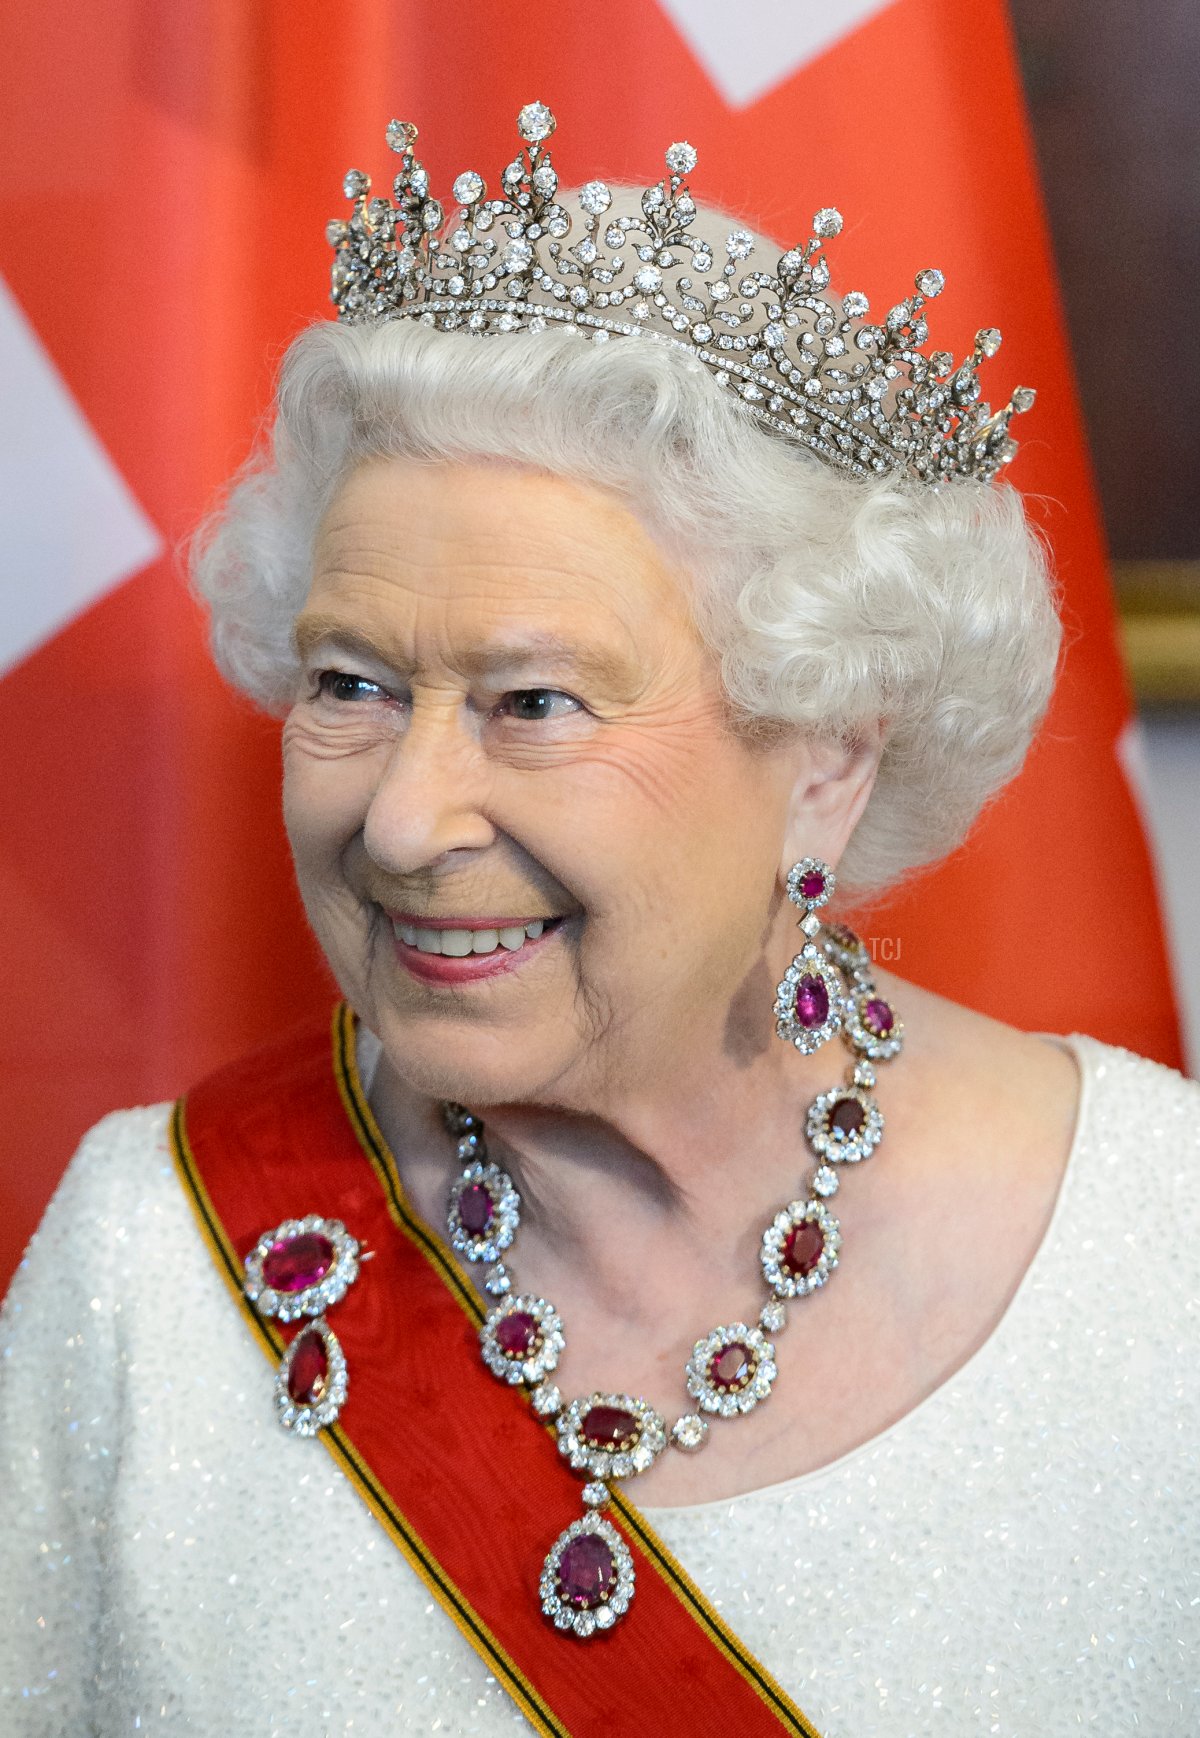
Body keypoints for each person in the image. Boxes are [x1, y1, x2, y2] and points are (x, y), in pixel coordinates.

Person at [1, 102, 1197, 1737]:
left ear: (829, 761)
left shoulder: (1158, 1255)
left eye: (535, 701)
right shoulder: (147, 1261)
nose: (405, 819)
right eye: (349, 683)